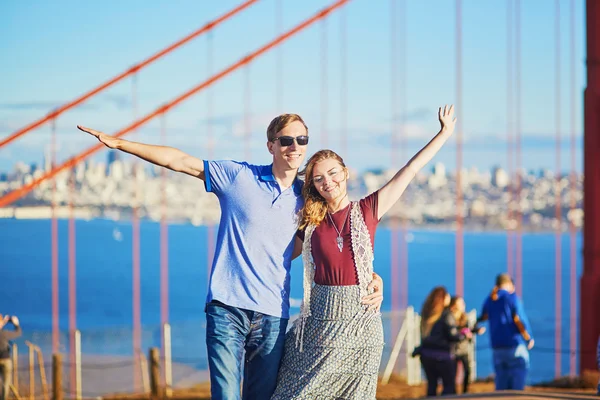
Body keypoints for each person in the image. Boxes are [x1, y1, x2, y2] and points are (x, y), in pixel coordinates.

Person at [79, 115, 384, 400]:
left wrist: (370, 275)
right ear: (271, 146)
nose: (294, 146)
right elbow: (180, 161)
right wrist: (121, 144)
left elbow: (333, 244)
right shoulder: (239, 176)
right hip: (227, 308)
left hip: (272, 316)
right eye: (286, 140)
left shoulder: (307, 200)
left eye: (302, 140)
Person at [272, 105, 457, 399]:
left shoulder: (368, 210)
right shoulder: (309, 222)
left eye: (333, 173)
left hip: (361, 324)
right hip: (319, 321)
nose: (327, 182)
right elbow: (276, 254)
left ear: (345, 173)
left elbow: (409, 171)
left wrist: (444, 133)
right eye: (319, 178)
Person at [477, 273, 534, 391]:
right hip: (514, 344)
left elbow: (483, 316)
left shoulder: (490, 299)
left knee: (501, 381)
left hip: (497, 346)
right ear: (508, 284)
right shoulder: (512, 298)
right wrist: (528, 338)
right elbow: (518, 320)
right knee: (518, 379)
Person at [416, 286, 469, 397]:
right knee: (449, 388)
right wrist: (464, 335)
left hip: (427, 356)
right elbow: (452, 335)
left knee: (432, 386)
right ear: (443, 298)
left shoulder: (426, 313)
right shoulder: (446, 314)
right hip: (444, 357)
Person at [448, 296, 485, 394]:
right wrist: (463, 333)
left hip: (465, 349)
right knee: (453, 373)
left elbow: (470, 329)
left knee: (467, 371)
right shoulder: (450, 317)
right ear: (454, 305)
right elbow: (452, 333)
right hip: (454, 350)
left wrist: (476, 330)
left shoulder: (465, 317)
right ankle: (454, 393)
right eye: (461, 303)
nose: (463, 305)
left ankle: (464, 392)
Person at [0, 315, 21, 400]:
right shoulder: (4, 334)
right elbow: (18, 333)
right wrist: (16, 324)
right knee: (6, 383)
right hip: (5, 360)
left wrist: (3, 321)